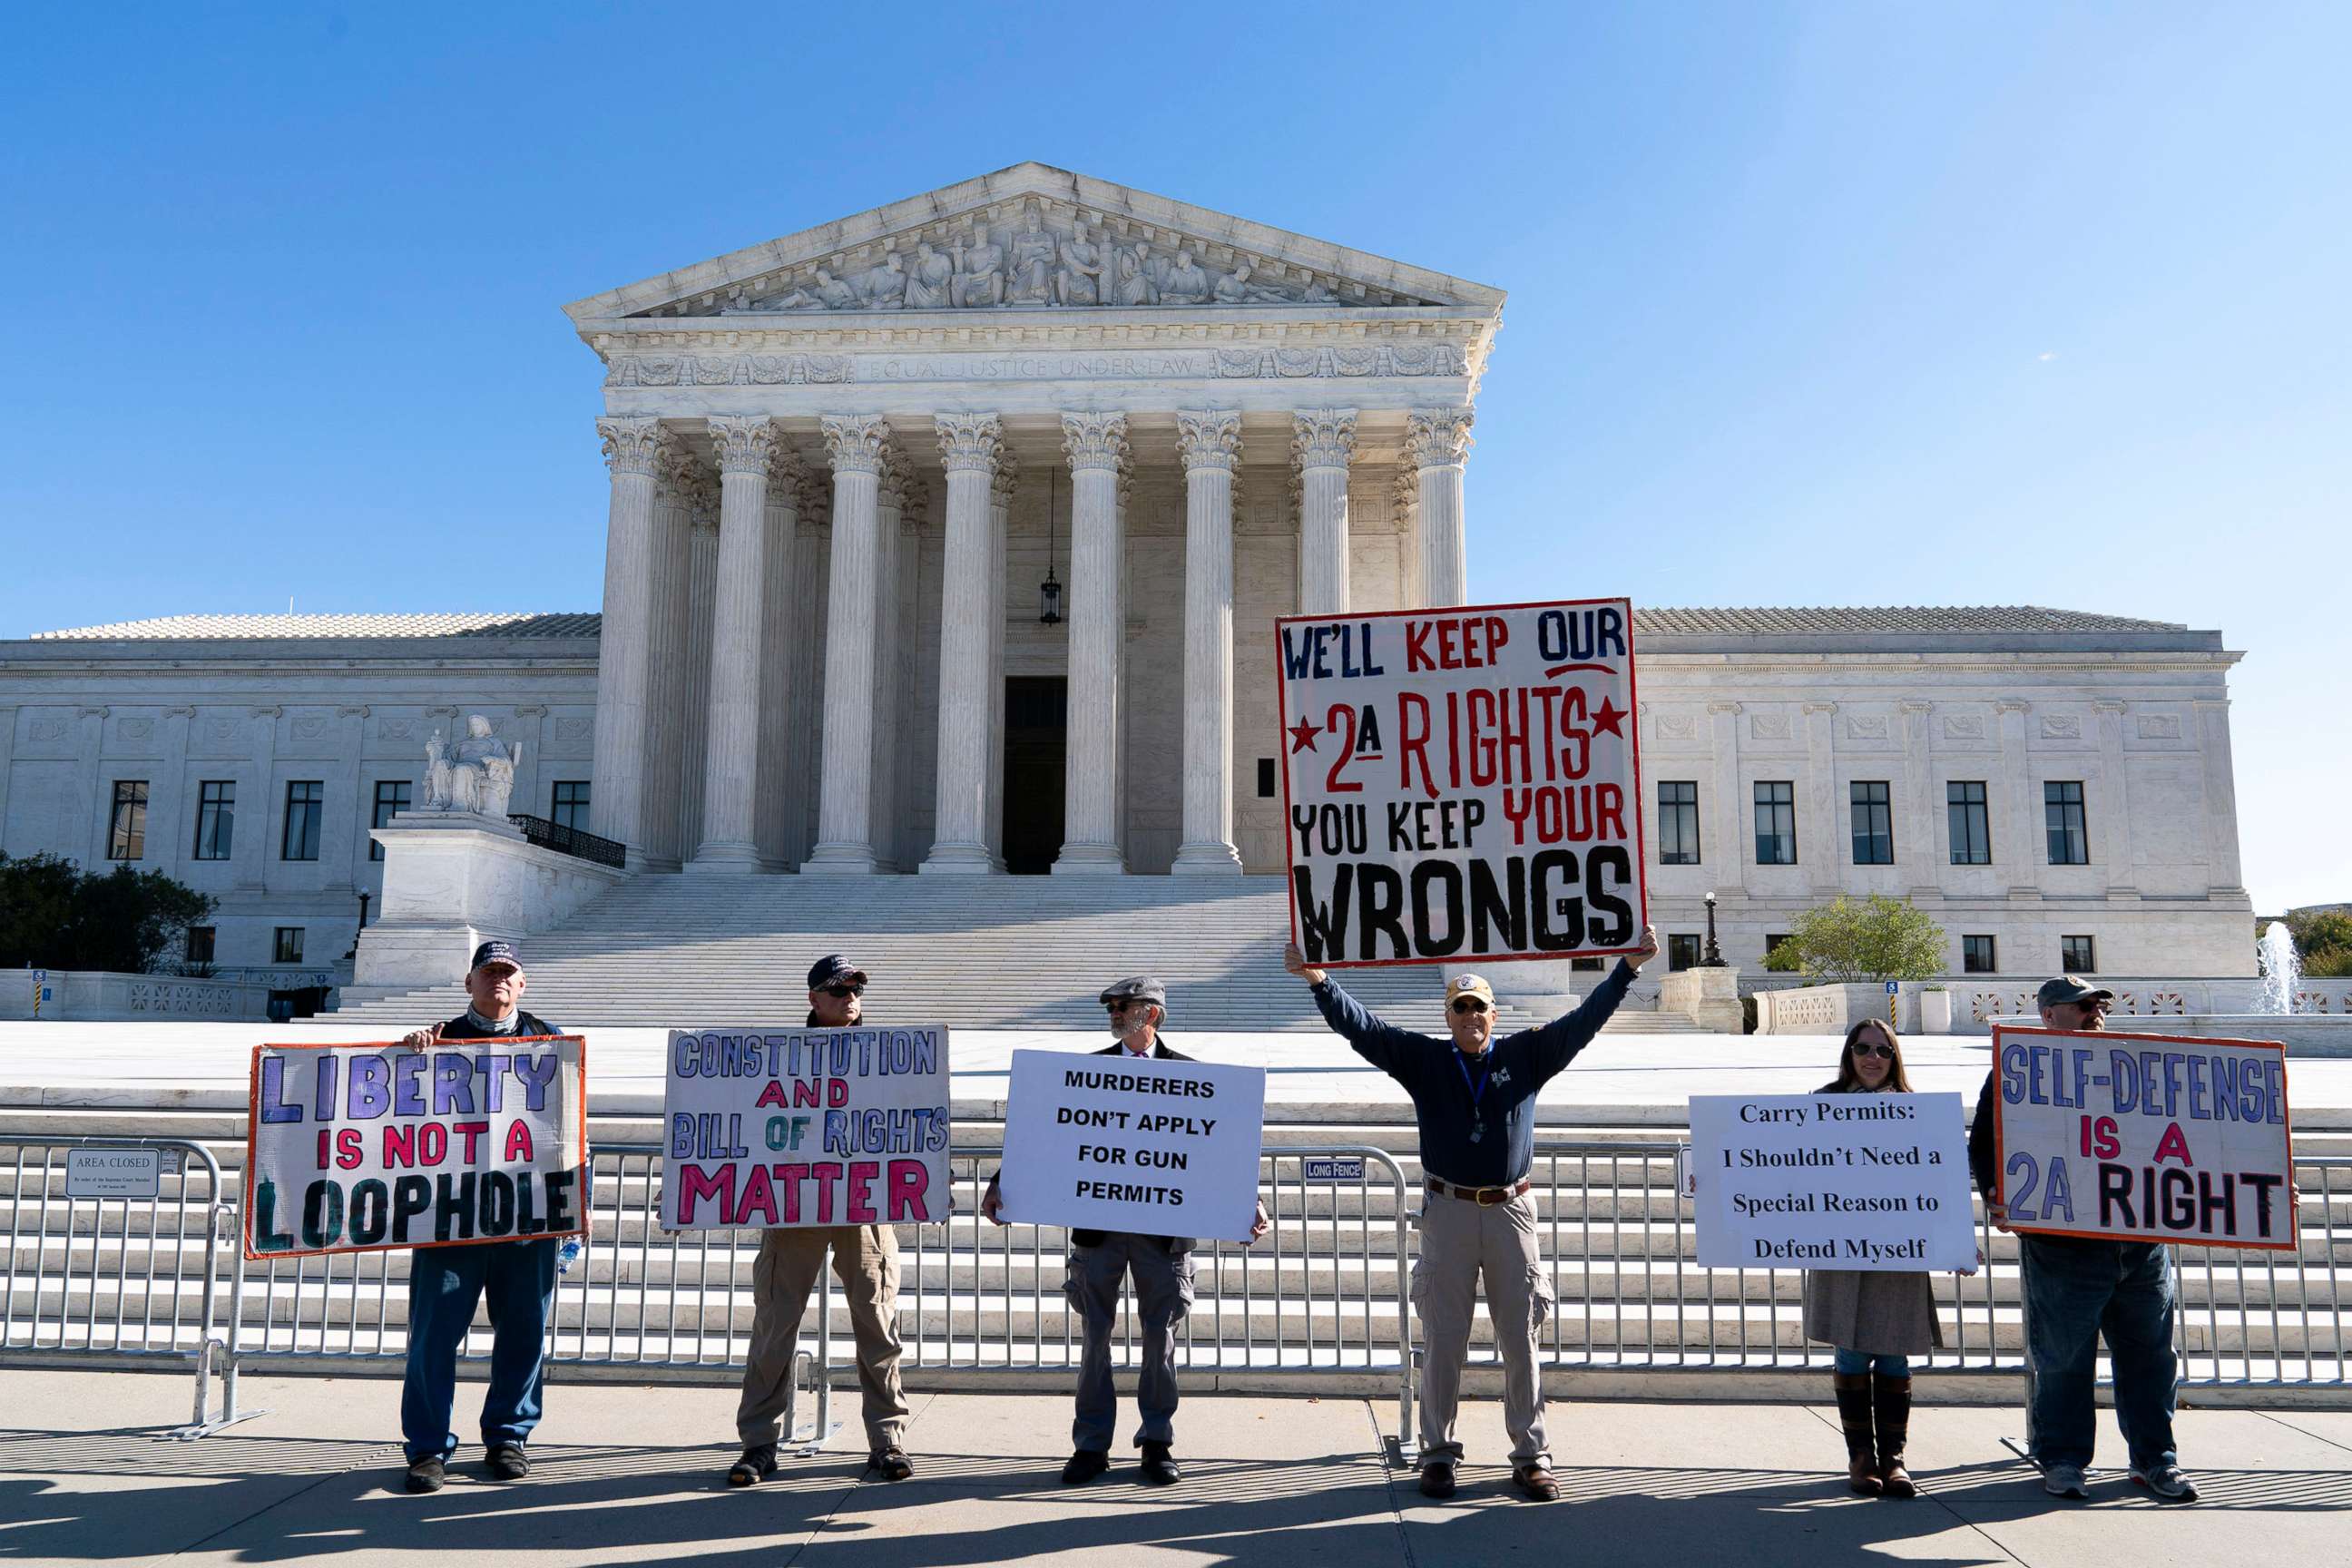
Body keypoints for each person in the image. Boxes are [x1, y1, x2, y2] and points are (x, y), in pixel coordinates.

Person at [1286, 928, 1661, 1502]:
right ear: (1448, 1016)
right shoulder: (1427, 1061)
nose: (1470, 1018)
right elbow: (1367, 1031)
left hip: (1511, 1212)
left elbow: (1582, 1023)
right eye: (1459, 1009)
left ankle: (1531, 1455)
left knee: (1522, 1338)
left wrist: (1625, 971)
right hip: (1449, 1212)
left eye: (1478, 1008)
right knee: (1443, 1339)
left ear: (1493, 1014)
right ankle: (1437, 1453)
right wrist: (1320, 981)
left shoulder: (1525, 1055)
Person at [982, 976, 1269, 1487]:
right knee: (1095, 1340)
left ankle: (1157, 1442)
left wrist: (1246, 1201)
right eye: (1112, 1006)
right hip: (1100, 1232)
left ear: (1152, 1015)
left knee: (1160, 1340)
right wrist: (1004, 1183)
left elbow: (1216, 1153)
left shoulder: (1193, 1078)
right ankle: (1091, 1445)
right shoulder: (1082, 1075)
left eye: (1124, 1005)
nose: (1114, 1012)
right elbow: (1045, 1136)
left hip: (1165, 1237)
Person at [1968, 975, 2197, 1503]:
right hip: (2062, 1245)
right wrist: (1997, 1195)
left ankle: (2155, 1460)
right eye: (2080, 1006)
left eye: (2098, 1004)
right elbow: (1984, 1143)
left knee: (2152, 1358)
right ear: (2049, 1016)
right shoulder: (2015, 1070)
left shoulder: (2139, 1067)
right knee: (2064, 1359)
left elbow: (2200, 1137)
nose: (2094, 1012)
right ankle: (2065, 1460)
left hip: (2140, 1244)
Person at [725, 954, 915, 1487]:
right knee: (775, 1326)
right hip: (796, 1202)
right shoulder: (780, 1058)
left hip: (865, 1204)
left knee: (878, 1325)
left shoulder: (893, 1058)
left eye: (856, 989)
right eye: (837, 990)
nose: (850, 998)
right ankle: (759, 1442)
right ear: (812, 998)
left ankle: (887, 1439)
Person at [394, 940, 565, 1494]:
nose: (498, 981)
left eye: (507, 973)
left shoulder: (554, 1045)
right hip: (450, 1218)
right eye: (488, 973)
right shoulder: (434, 1043)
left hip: (526, 1218)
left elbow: (567, 1131)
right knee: (434, 1337)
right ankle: (427, 1448)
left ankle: (509, 1437)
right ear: (468, 983)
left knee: (524, 1334)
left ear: (523, 985)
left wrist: (571, 1219)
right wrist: (405, 1056)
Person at [1805, 1018, 1949, 1499]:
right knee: (1850, 1349)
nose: (1872, 1058)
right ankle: (1860, 1457)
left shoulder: (1916, 1110)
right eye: (1863, 1048)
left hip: (1897, 1250)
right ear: (1848, 1053)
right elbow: (1779, 1170)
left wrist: (1953, 1241)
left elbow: (1940, 1184)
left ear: (1895, 1058)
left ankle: (1894, 1458)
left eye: (1883, 1051)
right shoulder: (1820, 1105)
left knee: (1893, 1353)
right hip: (1841, 1248)